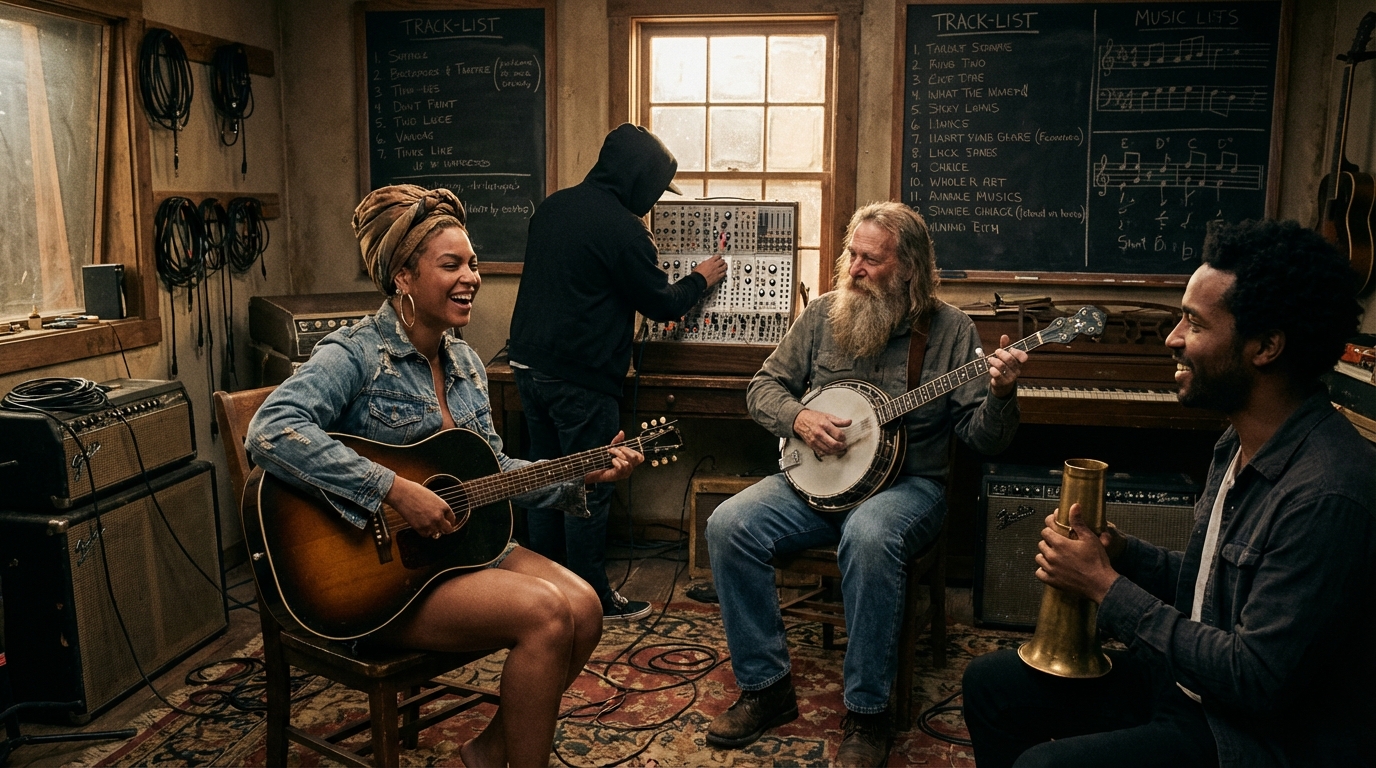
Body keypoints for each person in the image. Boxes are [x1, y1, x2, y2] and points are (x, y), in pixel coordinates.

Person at [246, 185, 645, 768]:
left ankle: (488, 752)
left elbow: (494, 470)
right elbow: (270, 428)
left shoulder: (463, 361)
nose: (472, 277)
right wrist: (394, 490)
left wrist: (582, 475)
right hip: (381, 580)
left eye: (474, 264)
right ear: (403, 276)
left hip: (457, 553)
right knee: (547, 615)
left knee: (585, 607)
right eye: (451, 264)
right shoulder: (355, 354)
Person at [962, 219, 1376, 767]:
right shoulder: (1238, 440)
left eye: (1194, 323)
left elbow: (1255, 677)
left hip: (1252, 735)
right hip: (1196, 691)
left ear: (1267, 346)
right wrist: (1124, 554)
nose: (1171, 338)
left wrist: (1104, 588)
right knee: (991, 684)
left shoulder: (1327, 492)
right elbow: (1215, 587)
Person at [704, 201, 1026, 765]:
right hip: (816, 483)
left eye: (870, 260)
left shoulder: (951, 331)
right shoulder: (825, 314)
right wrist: (800, 418)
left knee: (870, 536)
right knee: (728, 524)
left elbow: (984, 440)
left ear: (908, 270)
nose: (853, 268)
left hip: (910, 488)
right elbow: (763, 388)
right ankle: (765, 687)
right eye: (852, 254)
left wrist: (1000, 396)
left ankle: (867, 713)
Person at [508, 123, 728, 620]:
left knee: (543, 477)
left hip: (526, 365)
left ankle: (541, 587)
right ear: (639, 181)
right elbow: (661, 303)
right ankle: (593, 598)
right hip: (581, 377)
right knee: (590, 481)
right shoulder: (626, 230)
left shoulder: (554, 206)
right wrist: (701, 277)